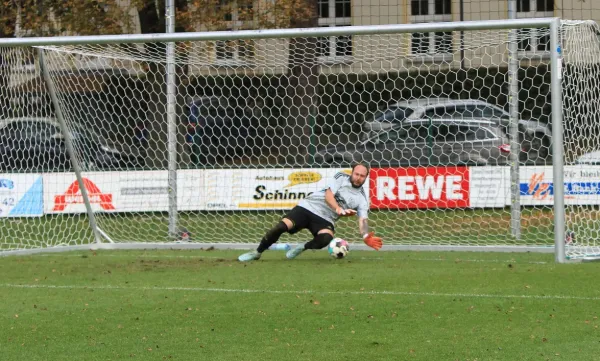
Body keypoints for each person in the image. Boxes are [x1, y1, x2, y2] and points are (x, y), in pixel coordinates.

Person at [238, 163, 383, 262]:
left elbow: (362, 219)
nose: (358, 178)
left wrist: (365, 235)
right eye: (356, 174)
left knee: (326, 239)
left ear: (366, 177)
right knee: (280, 227)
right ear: (352, 173)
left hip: (325, 219)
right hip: (307, 207)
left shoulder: (362, 198)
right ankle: (257, 252)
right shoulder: (340, 177)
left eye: (362, 176)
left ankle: (302, 247)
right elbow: (328, 196)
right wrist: (339, 209)